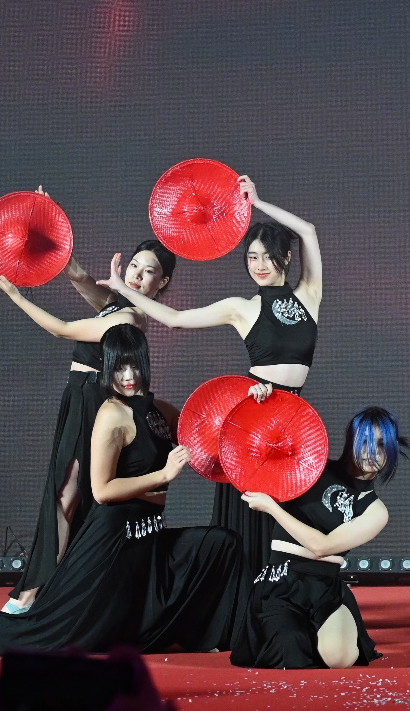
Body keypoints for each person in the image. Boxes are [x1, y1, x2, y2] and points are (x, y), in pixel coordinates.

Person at [0, 324, 245, 656]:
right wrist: (163, 475)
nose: (128, 376)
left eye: (134, 366)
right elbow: (102, 491)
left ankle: (218, 636)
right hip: (112, 545)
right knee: (48, 637)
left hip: (148, 543)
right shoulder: (112, 414)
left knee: (220, 544)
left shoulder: (160, 411)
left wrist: (252, 401)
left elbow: (210, 432)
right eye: (119, 368)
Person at [100, 174, 320, 572]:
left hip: (293, 420)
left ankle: (276, 595)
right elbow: (176, 319)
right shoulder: (241, 307)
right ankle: (240, 596)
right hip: (253, 411)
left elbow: (306, 230)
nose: (259, 266)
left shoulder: (309, 294)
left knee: (288, 509)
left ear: (286, 258)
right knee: (249, 511)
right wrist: (124, 288)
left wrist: (257, 202)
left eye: (267, 257)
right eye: (251, 258)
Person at [0, 212, 176, 612]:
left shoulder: (128, 317)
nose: (138, 275)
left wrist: (15, 296)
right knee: (66, 494)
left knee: (68, 494)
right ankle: (46, 590)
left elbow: (61, 329)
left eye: (149, 272)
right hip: (81, 396)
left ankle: (33, 595)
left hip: (92, 400)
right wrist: (48, 226)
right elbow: (76, 274)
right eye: (134, 266)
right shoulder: (116, 305)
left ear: (162, 283)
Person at [230, 407, 407, 669]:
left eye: (381, 445)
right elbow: (263, 443)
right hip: (282, 580)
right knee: (289, 648)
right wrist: (262, 400)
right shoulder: (311, 467)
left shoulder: (375, 510)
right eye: (365, 441)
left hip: (325, 587)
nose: (372, 452)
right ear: (351, 440)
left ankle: (325, 631)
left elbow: (322, 547)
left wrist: (273, 509)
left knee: (339, 659)